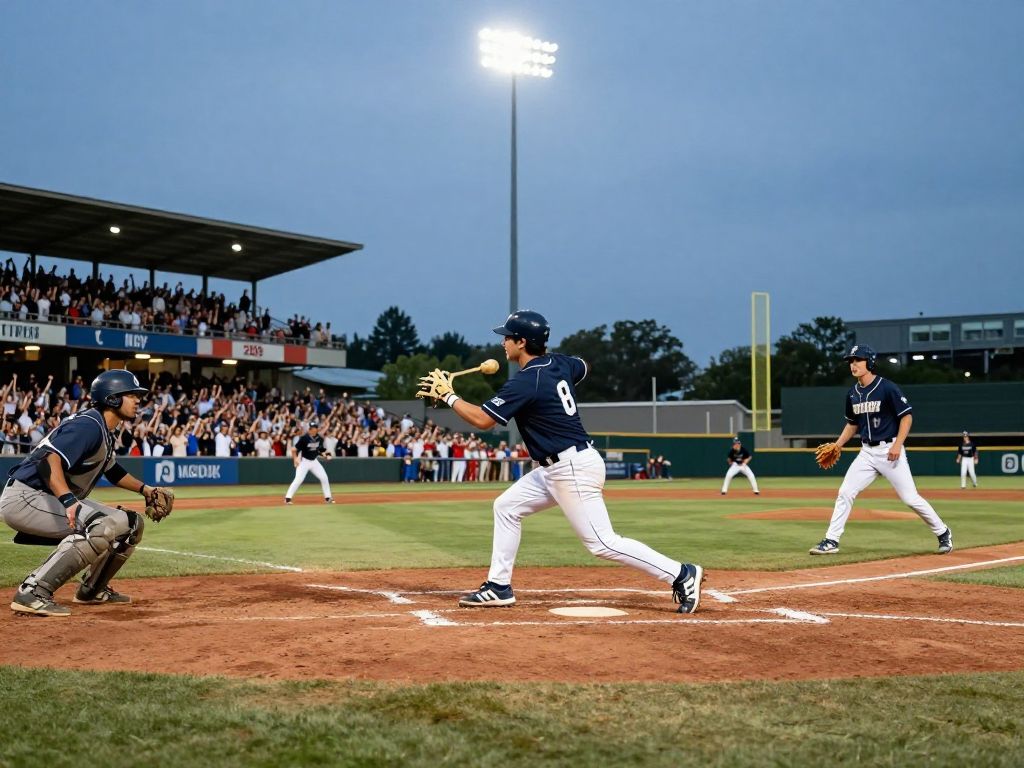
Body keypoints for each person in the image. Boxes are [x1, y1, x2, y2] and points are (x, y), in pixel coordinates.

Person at [417, 310, 704, 614]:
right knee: (507, 507)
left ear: (522, 342)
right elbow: (583, 366)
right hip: (556, 467)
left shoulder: (528, 381)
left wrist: (449, 396)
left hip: (571, 468)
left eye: (508, 337)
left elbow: (483, 420)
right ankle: (498, 586)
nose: (503, 343)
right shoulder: (560, 363)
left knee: (602, 543)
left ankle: (682, 574)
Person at [0, 370, 160, 616]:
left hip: (43, 497)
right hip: (26, 497)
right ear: (113, 398)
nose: (138, 400)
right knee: (99, 527)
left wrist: (145, 490)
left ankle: (92, 589)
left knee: (130, 524)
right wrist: (69, 500)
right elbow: (48, 460)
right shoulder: (89, 425)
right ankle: (32, 591)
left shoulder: (104, 428)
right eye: (132, 394)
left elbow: (112, 470)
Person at [809, 344, 953, 556]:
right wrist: (837, 445)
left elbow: (906, 417)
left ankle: (943, 532)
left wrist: (897, 445)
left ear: (870, 362)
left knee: (910, 498)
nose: (853, 364)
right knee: (845, 492)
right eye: (851, 361)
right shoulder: (852, 394)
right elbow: (852, 424)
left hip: (889, 450)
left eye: (858, 359)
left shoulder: (887, 388)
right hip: (866, 453)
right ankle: (831, 540)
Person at [284, 421, 334, 504]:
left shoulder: (319, 438)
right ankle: (287, 498)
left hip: (314, 462)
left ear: (316, 429)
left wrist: (327, 455)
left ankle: (328, 497)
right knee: (298, 479)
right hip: (304, 462)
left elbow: (320, 450)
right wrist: (295, 459)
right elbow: (293, 450)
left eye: (314, 428)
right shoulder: (304, 438)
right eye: (311, 428)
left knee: (324, 477)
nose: (312, 430)